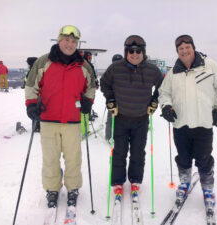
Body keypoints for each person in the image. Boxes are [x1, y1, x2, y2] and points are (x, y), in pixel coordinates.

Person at [158, 34, 217, 210]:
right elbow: (164, 93)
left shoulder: (210, 66)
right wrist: (166, 107)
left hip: (203, 124)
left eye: (187, 47)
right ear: (177, 51)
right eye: (180, 49)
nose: (184, 51)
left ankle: (208, 189)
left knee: (204, 159)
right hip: (181, 124)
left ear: (193, 47)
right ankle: (184, 183)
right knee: (183, 158)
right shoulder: (173, 72)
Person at [25, 25, 95, 210]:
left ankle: (73, 188)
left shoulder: (84, 65)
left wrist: (88, 101)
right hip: (48, 118)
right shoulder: (43, 61)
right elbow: (31, 84)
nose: (70, 44)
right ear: (59, 40)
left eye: (74, 41)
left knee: (73, 158)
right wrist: (31, 104)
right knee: (50, 158)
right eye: (66, 40)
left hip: (73, 120)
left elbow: (91, 87)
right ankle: (52, 189)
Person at [100, 35, 164, 198]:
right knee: (119, 152)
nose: (134, 54)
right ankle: (118, 182)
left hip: (141, 119)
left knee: (138, 152)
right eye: (131, 51)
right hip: (120, 118)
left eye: (138, 51)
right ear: (126, 51)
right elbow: (104, 83)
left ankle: (135, 180)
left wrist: (155, 100)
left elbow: (163, 86)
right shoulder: (116, 68)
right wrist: (111, 99)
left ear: (143, 52)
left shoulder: (152, 70)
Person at [105, 54, 123, 142]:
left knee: (112, 117)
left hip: (119, 99)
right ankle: (109, 136)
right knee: (113, 117)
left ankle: (110, 136)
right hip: (115, 98)